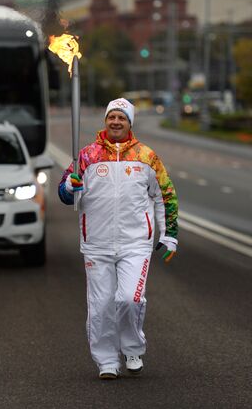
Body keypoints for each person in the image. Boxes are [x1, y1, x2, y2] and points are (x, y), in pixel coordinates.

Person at [58, 97, 178, 380]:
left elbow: (166, 195)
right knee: (100, 306)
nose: (115, 121)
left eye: (121, 118)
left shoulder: (147, 157)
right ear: (105, 120)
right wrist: (69, 185)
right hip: (96, 244)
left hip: (135, 243)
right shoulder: (86, 156)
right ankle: (107, 361)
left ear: (129, 123)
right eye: (111, 116)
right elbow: (65, 195)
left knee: (129, 299)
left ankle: (133, 348)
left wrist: (170, 234)